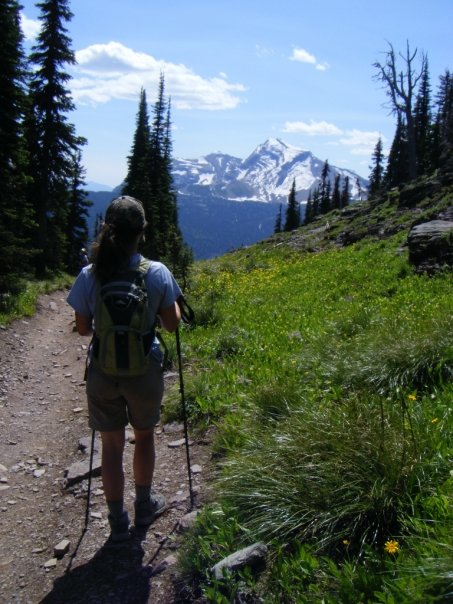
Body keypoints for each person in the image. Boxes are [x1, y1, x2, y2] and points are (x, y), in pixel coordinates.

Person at [67, 196, 181, 542]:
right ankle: (144, 506)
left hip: (103, 371)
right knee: (144, 436)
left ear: (108, 230)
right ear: (141, 232)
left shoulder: (90, 273)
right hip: (144, 370)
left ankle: (117, 520)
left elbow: (83, 329)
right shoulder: (157, 272)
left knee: (111, 445)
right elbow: (172, 325)